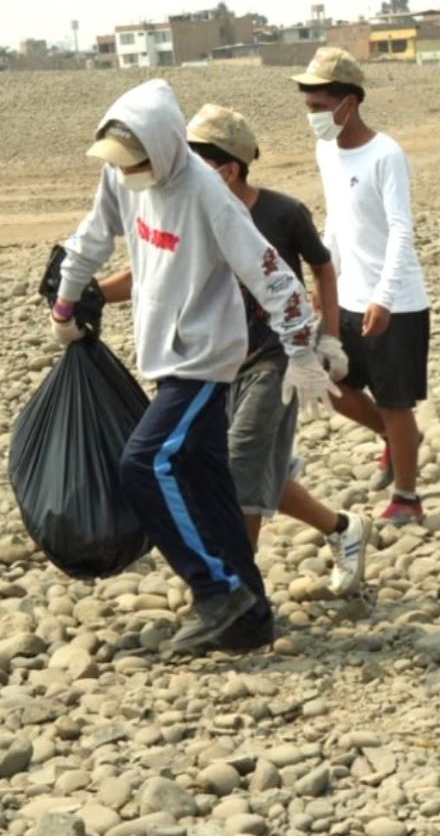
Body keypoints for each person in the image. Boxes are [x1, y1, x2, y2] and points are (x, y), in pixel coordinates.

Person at [49, 79, 338, 656]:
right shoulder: (120, 176)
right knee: (210, 487)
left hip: (207, 358)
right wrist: (67, 301)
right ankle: (251, 617)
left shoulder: (205, 190)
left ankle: (215, 590)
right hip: (163, 353)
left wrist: (304, 350)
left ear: (160, 146)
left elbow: (270, 271)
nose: (128, 171)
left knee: (145, 464)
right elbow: (91, 237)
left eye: (136, 160)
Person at [96, 103, 369, 597]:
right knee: (241, 468)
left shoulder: (281, 212)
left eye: (199, 157)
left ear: (230, 167)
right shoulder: (187, 202)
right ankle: (342, 528)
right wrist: (90, 293)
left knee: (241, 470)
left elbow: (319, 268)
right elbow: (150, 270)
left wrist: (328, 337)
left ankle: (241, 592)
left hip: (275, 360)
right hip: (218, 364)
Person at [293, 46, 432, 526]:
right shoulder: (325, 150)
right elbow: (335, 214)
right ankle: (399, 442)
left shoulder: (386, 154)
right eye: (308, 107)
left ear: (348, 102)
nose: (312, 117)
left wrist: (385, 296)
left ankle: (408, 498)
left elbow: (401, 229)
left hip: (396, 303)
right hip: (346, 294)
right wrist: (323, 276)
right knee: (328, 382)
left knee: (396, 401)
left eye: (318, 106)